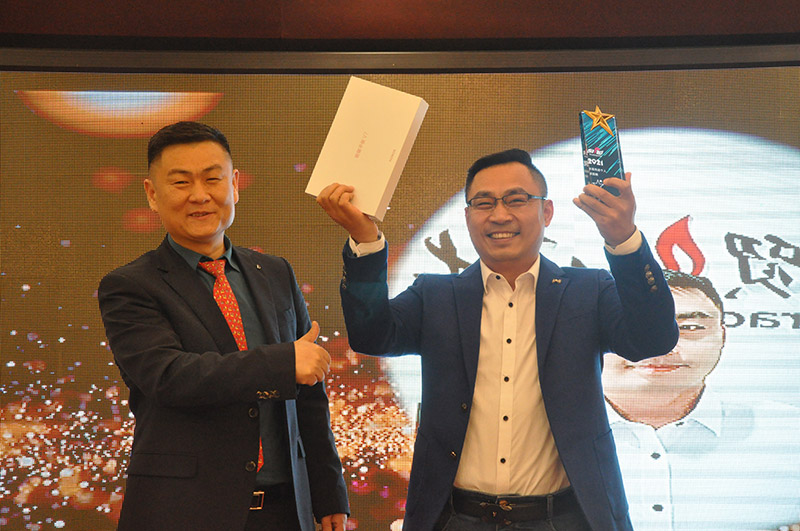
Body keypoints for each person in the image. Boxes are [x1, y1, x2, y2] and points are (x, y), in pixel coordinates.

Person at [316, 148, 679, 530]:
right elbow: (371, 335)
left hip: (565, 518)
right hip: (457, 518)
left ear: (547, 212)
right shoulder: (435, 295)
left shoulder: (588, 291)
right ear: (468, 217)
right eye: (484, 202)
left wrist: (624, 241)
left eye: (516, 200)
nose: (500, 214)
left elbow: (652, 339)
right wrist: (365, 239)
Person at [98, 121, 349, 531]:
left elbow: (309, 397)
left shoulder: (275, 272)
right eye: (181, 182)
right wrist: (282, 363)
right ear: (152, 194)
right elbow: (170, 377)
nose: (200, 195)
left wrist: (329, 493)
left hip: (286, 511)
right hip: (184, 513)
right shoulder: (129, 286)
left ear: (234, 185)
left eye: (213, 179)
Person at [603, 270, 800, 530]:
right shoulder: (548, 436)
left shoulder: (790, 432)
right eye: (631, 326)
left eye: (690, 328)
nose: (659, 345)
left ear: (723, 337)